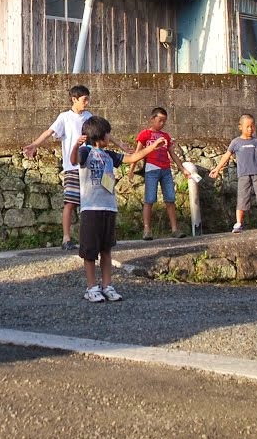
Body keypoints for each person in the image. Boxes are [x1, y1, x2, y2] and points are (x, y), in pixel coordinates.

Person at [71, 116, 162, 302]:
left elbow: (132, 158)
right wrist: (74, 145)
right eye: (107, 134)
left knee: (106, 249)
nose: (109, 137)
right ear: (99, 135)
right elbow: (74, 160)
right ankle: (91, 287)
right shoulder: (85, 151)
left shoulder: (109, 155)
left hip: (109, 207)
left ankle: (107, 285)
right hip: (91, 208)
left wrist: (152, 148)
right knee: (89, 251)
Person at [22, 85, 93, 250]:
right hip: (71, 166)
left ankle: (88, 237)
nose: (87, 102)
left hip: (88, 166)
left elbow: (103, 133)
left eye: (88, 99)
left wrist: (121, 145)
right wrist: (34, 145)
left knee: (89, 204)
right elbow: (49, 132)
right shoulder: (65, 117)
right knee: (70, 203)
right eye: (84, 99)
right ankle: (66, 238)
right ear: (74, 99)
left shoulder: (89, 117)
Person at [208, 113, 257, 231]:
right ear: (240, 127)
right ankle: (238, 223)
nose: (250, 129)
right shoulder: (236, 142)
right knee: (242, 198)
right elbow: (227, 155)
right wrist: (217, 168)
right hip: (243, 175)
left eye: (252, 126)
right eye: (247, 126)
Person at [134, 106, 190, 240]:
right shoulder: (145, 134)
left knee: (170, 199)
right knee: (149, 200)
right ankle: (147, 230)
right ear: (152, 119)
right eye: (160, 120)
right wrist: (131, 170)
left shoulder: (166, 136)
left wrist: (182, 169)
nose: (162, 123)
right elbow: (137, 153)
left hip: (166, 170)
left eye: (164, 121)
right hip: (151, 169)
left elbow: (172, 154)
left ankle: (174, 229)